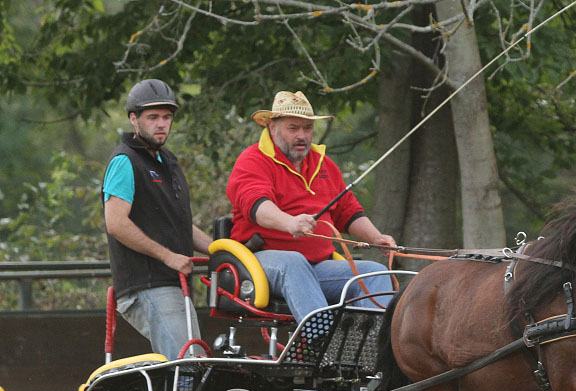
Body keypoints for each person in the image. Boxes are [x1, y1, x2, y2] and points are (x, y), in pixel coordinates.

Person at [226, 90, 396, 323]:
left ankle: (368, 350)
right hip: (260, 262)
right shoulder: (253, 160)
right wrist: (290, 223)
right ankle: (321, 342)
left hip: (317, 266)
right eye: (293, 128)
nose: (302, 136)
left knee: (374, 273)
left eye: (307, 128)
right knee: (293, 262)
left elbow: (347, 211)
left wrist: (377, 238)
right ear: (272, 128)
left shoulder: (324, 163)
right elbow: (256, 205)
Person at [102, 79, 213, 360]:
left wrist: (223, 253)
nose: (161, 124)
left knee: (197, 362)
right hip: (145, 285)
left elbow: (180, 227)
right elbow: (116, 223)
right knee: (188, 365)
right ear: (133, 119)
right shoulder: (124, 161)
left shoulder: (168, 162)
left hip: (172, 282)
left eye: (167, 117)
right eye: (152, 117)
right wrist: (168, 257)